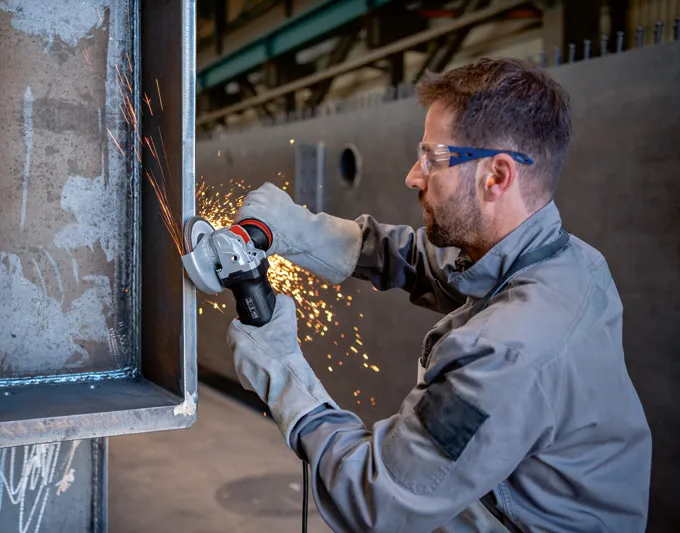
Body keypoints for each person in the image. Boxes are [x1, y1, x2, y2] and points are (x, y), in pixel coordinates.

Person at [226, 58, 652, 532]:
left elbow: (374, 500)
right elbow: (430, 263)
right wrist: (300, 232)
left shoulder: (506, 353)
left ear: (497, 176)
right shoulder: (568, 261)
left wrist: (281, 370)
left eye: (433, 158)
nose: (414, 175)